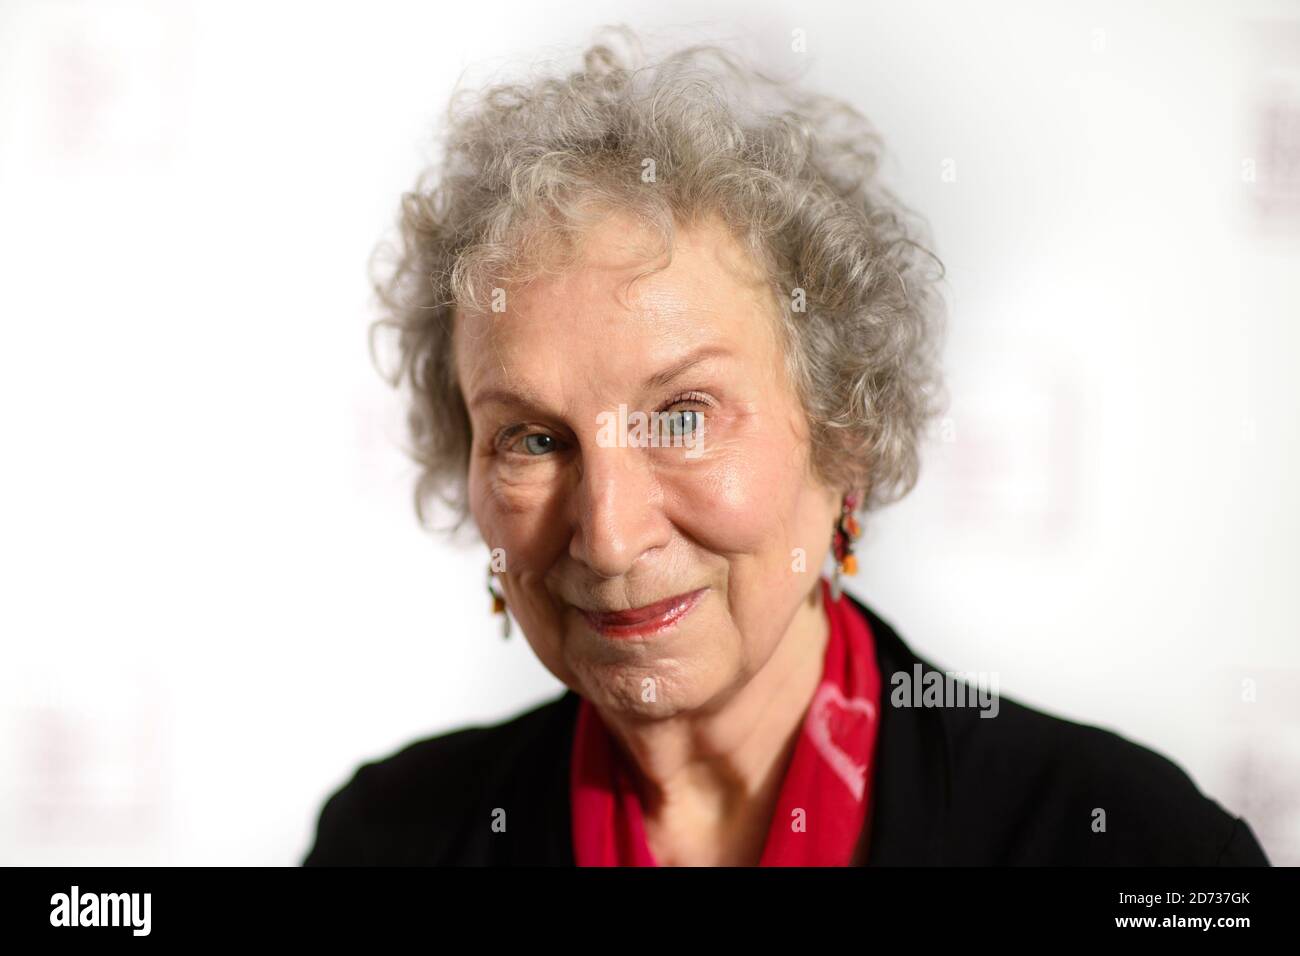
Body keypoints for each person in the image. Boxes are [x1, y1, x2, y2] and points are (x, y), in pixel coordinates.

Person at [303, 27, 1269, 866]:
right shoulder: (390, 841)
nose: (607, 535)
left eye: (682, 415)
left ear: (843, 432)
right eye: (533, 438)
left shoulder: (1127, 849)